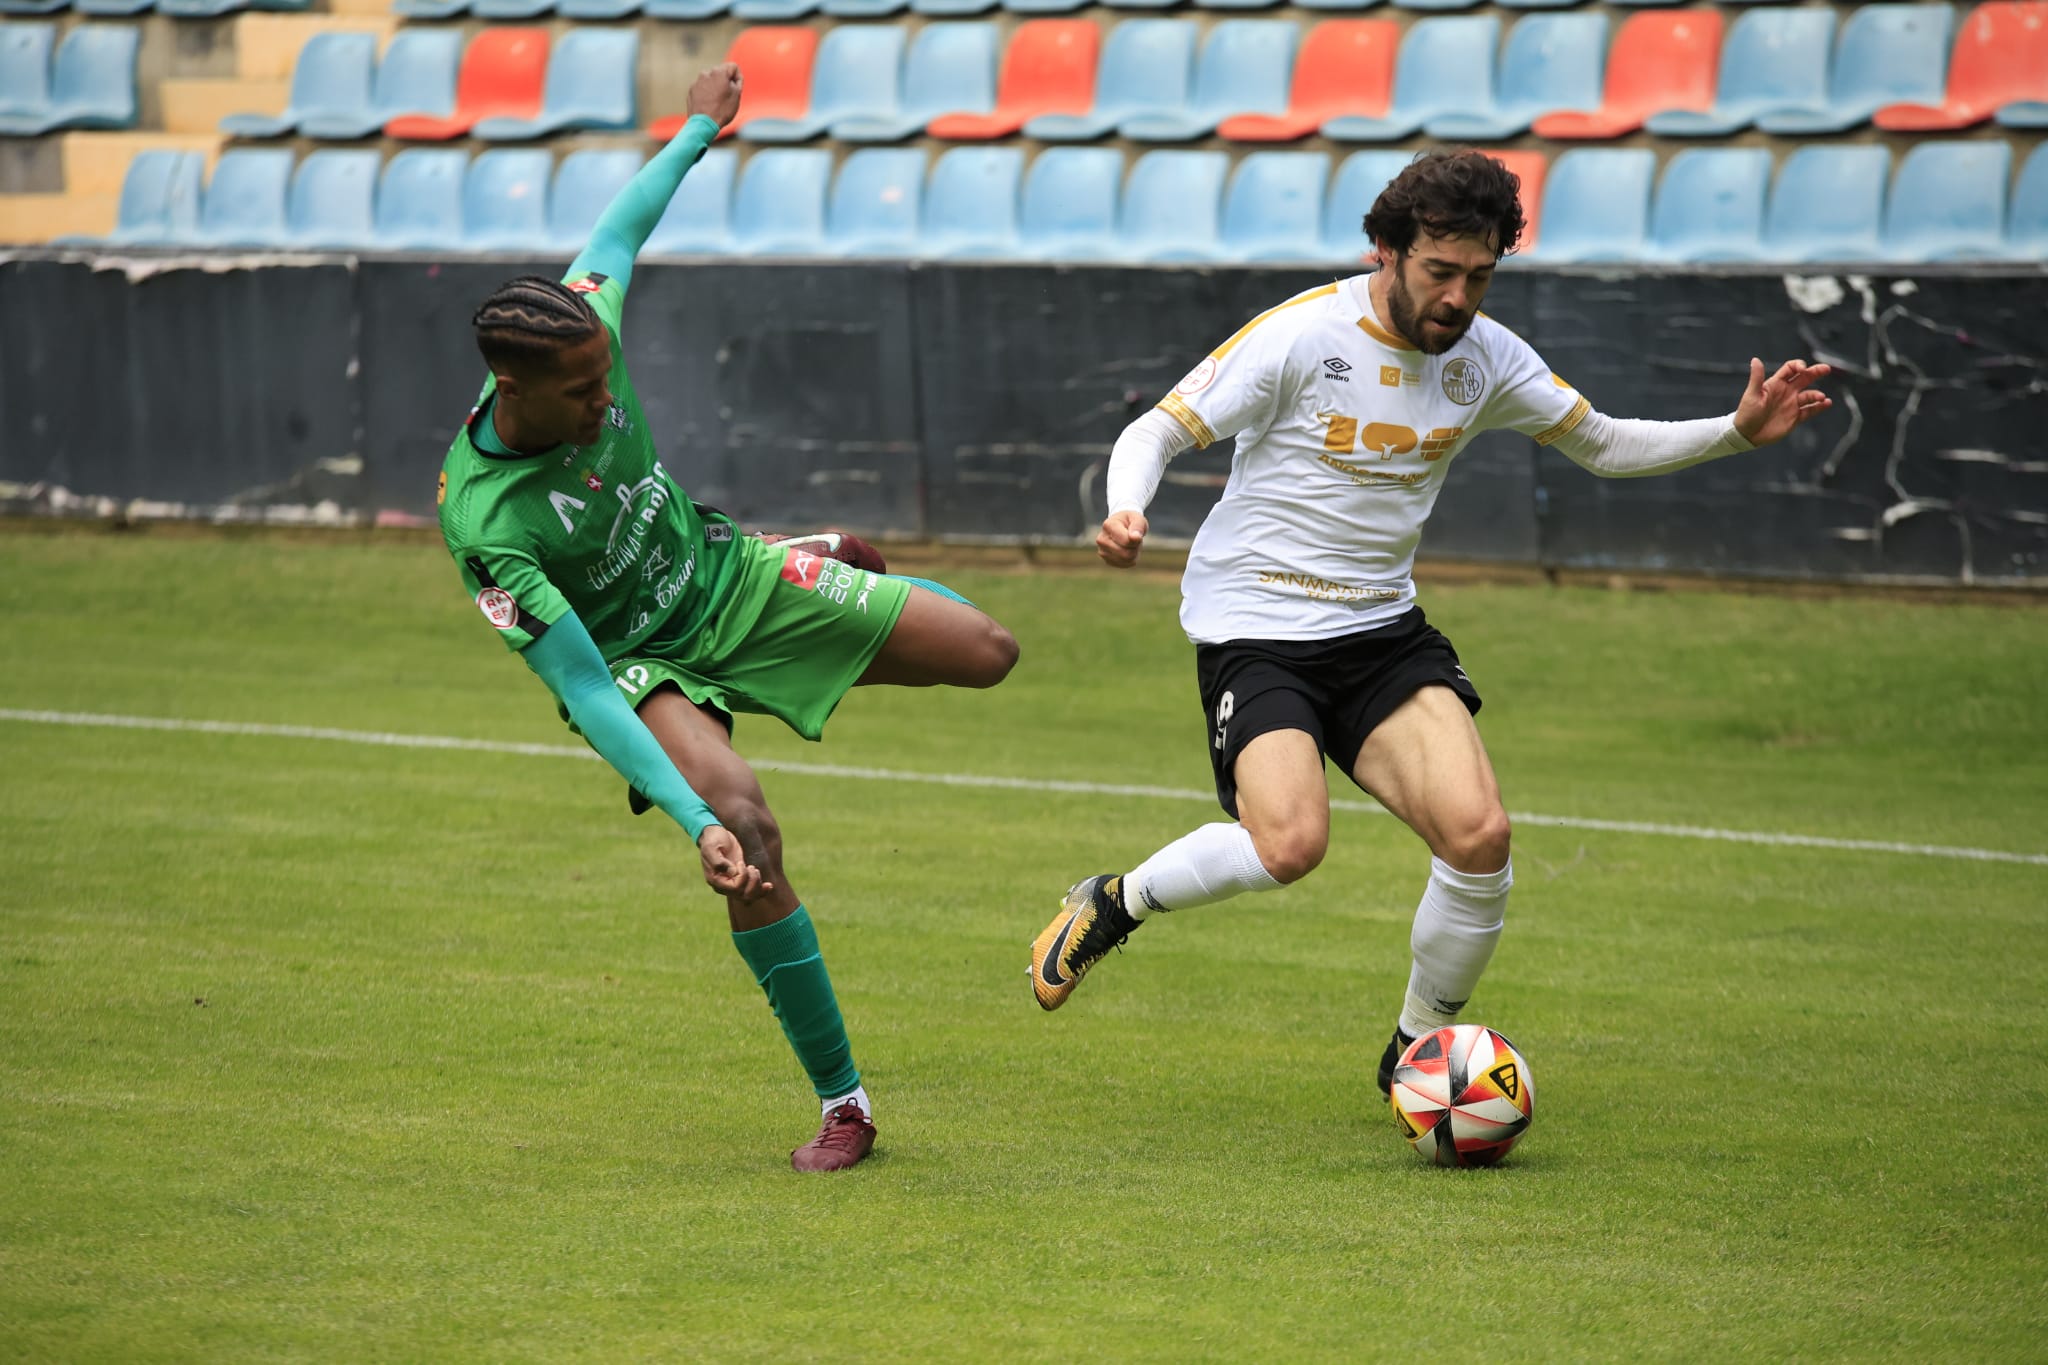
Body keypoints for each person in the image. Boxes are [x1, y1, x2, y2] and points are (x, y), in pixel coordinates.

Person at [1029, 150, 1831, 1097]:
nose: (1459, 298)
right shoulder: (1300, 337)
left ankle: (1413, 1051)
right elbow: (1156, 429)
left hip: (1381, 631)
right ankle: (1115, 903)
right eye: (1440, 272)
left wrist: (1733, 430)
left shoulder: (1488, 357)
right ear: (1386, 253)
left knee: (1480, 836)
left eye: (1480, 276)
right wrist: (1128, 507)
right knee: (1289, 845)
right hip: (1257, 622)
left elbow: (1603, 442)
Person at [437, 64, 1019, 1172]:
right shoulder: (486, 525)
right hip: (641, 662)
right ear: (513, 391)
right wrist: (682, 814)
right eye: (581, 392)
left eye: (608, 375)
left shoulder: (580, 324)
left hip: (721, 576)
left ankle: (804, 559)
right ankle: (844, 1103)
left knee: (989, 654)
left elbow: (619, 227)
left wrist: (698, 125)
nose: (606, 399)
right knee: (746, 832)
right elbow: (583, 685)